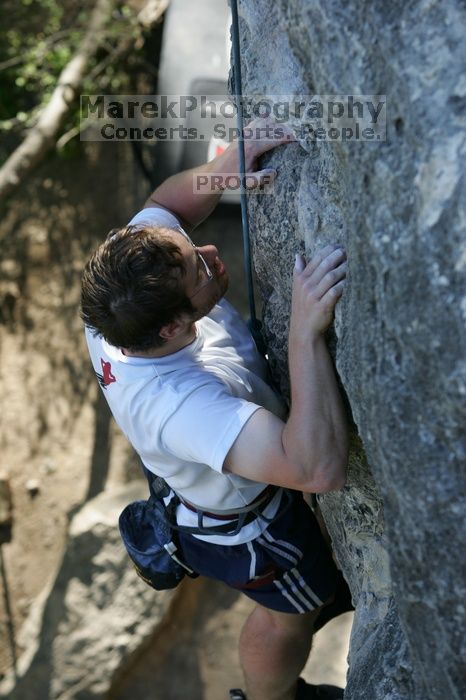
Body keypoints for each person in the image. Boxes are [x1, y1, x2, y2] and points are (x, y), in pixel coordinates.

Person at [81, 119, 349, 700]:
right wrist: (305, 334)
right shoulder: (182, 407)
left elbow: (164, 203)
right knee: (295, 609)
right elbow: (316, 469)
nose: (208, 250)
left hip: (197, 459)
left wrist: (232, 160)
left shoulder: (121, 291)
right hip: (244, 524)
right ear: (175, 326)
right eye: (199, 267)